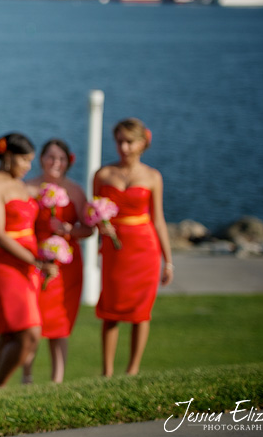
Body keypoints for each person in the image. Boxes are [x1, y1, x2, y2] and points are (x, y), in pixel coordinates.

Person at [93, 117, 173, 377]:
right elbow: (94, 214)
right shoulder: (102, 174)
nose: (123, 148)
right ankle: (106, 372)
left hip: (145, 249)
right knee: (110, 310)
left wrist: (168, 260)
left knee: (141, 312)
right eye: (119, 142)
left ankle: (132, 371)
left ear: (142, 143)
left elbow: (158, 219)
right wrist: (100, 229)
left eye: (129, 142)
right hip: (115, 251)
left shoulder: (153, 176)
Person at [0, 133, 57, 389]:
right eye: (24, 159)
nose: (28, 166)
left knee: (11, 331)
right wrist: (36, 261)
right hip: (4, 264)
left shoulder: (21, 185)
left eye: (30, 160)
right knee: (29, 333)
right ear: (8, 156)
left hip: (27, 265)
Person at [24, 139, 93, 384]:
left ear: (68, 162)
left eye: (61, 158)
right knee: (32, 322)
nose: (56, 163)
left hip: (67, 267)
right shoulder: (28, 188)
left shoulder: (75, 191)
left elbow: (88, 229)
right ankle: (27, 376)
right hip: (35, 262)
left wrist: (67, 230)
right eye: (50, 157)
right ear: (41, 159)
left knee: (60, 322)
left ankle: (57, 380)